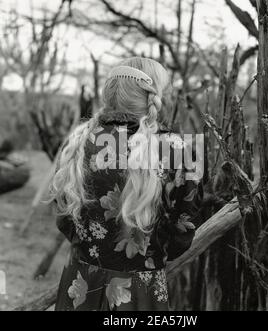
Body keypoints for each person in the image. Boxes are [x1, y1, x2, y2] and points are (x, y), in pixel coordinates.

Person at [50, 57, 203, 311]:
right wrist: (150, 257)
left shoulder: (78, 142)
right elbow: (184, 227)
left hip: (80, 284)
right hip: (140, 292)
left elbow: (64, 216)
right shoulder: (176, 148)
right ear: (153, 96)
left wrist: (93, 252)